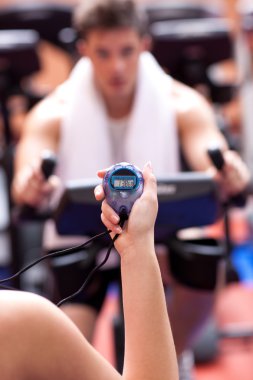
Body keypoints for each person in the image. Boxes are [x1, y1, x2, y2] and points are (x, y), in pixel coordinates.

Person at [11, 0, 250, 378]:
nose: (116, 67)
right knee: (66, 355)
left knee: (204, 261)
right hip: (83, 241)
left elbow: (214, 157)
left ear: (144, 45)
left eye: (126, 51)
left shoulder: (183, 104)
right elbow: (25, 178)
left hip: (159, 238)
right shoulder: (52, 112)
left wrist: (230, 172)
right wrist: (31, 185)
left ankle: (177, 354)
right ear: (83, 49)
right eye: (103, 53)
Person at [0, 163, 179, 380]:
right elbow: (27, 160)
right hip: (79, 261)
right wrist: (137, 248)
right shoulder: (21, 320)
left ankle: (182, 351)